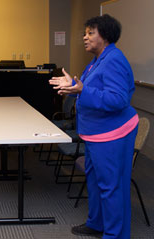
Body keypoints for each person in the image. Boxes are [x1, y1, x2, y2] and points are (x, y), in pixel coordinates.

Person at [49, 14, 138, 239]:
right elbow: (88, 87)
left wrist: (81, 90)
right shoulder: (98, 60)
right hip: (95, 134)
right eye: (85, 32)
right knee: (96, 183)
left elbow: (118, 99)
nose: (85, 37)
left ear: (105, 36)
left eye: (90, 33)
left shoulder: (114, 59)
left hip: (113, 134)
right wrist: (71, 85)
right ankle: (96, 223)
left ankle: (115, 235)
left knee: (111, 187)